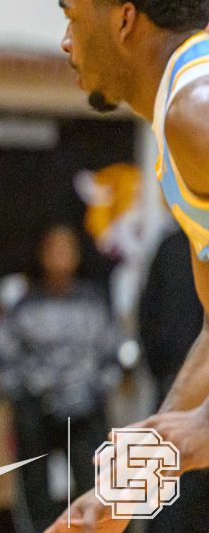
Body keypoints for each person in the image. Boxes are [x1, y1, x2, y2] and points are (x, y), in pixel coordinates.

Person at [51, 0, 209, 532]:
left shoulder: (195, 110)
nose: (65, 41)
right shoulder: (183, 115)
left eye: (71, 14)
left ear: (123, 19)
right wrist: (122, 489)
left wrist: (200, 430)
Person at [0, 224, 120, 533]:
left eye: (67, 249)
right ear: (42, 255)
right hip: (37, 408)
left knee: (95, 488)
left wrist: (94, 389)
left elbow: (113, 353)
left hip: (86, 409)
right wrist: (27, 390)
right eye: (53, 249)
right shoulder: (24, 306)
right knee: (35, 490)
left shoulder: (94, 302)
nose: (60, 256)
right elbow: (2, 354)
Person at [138, 217, 209, 533]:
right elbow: (148, 315)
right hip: (177, 377)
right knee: (169, 500)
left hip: (183, 380)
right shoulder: (172, 247)